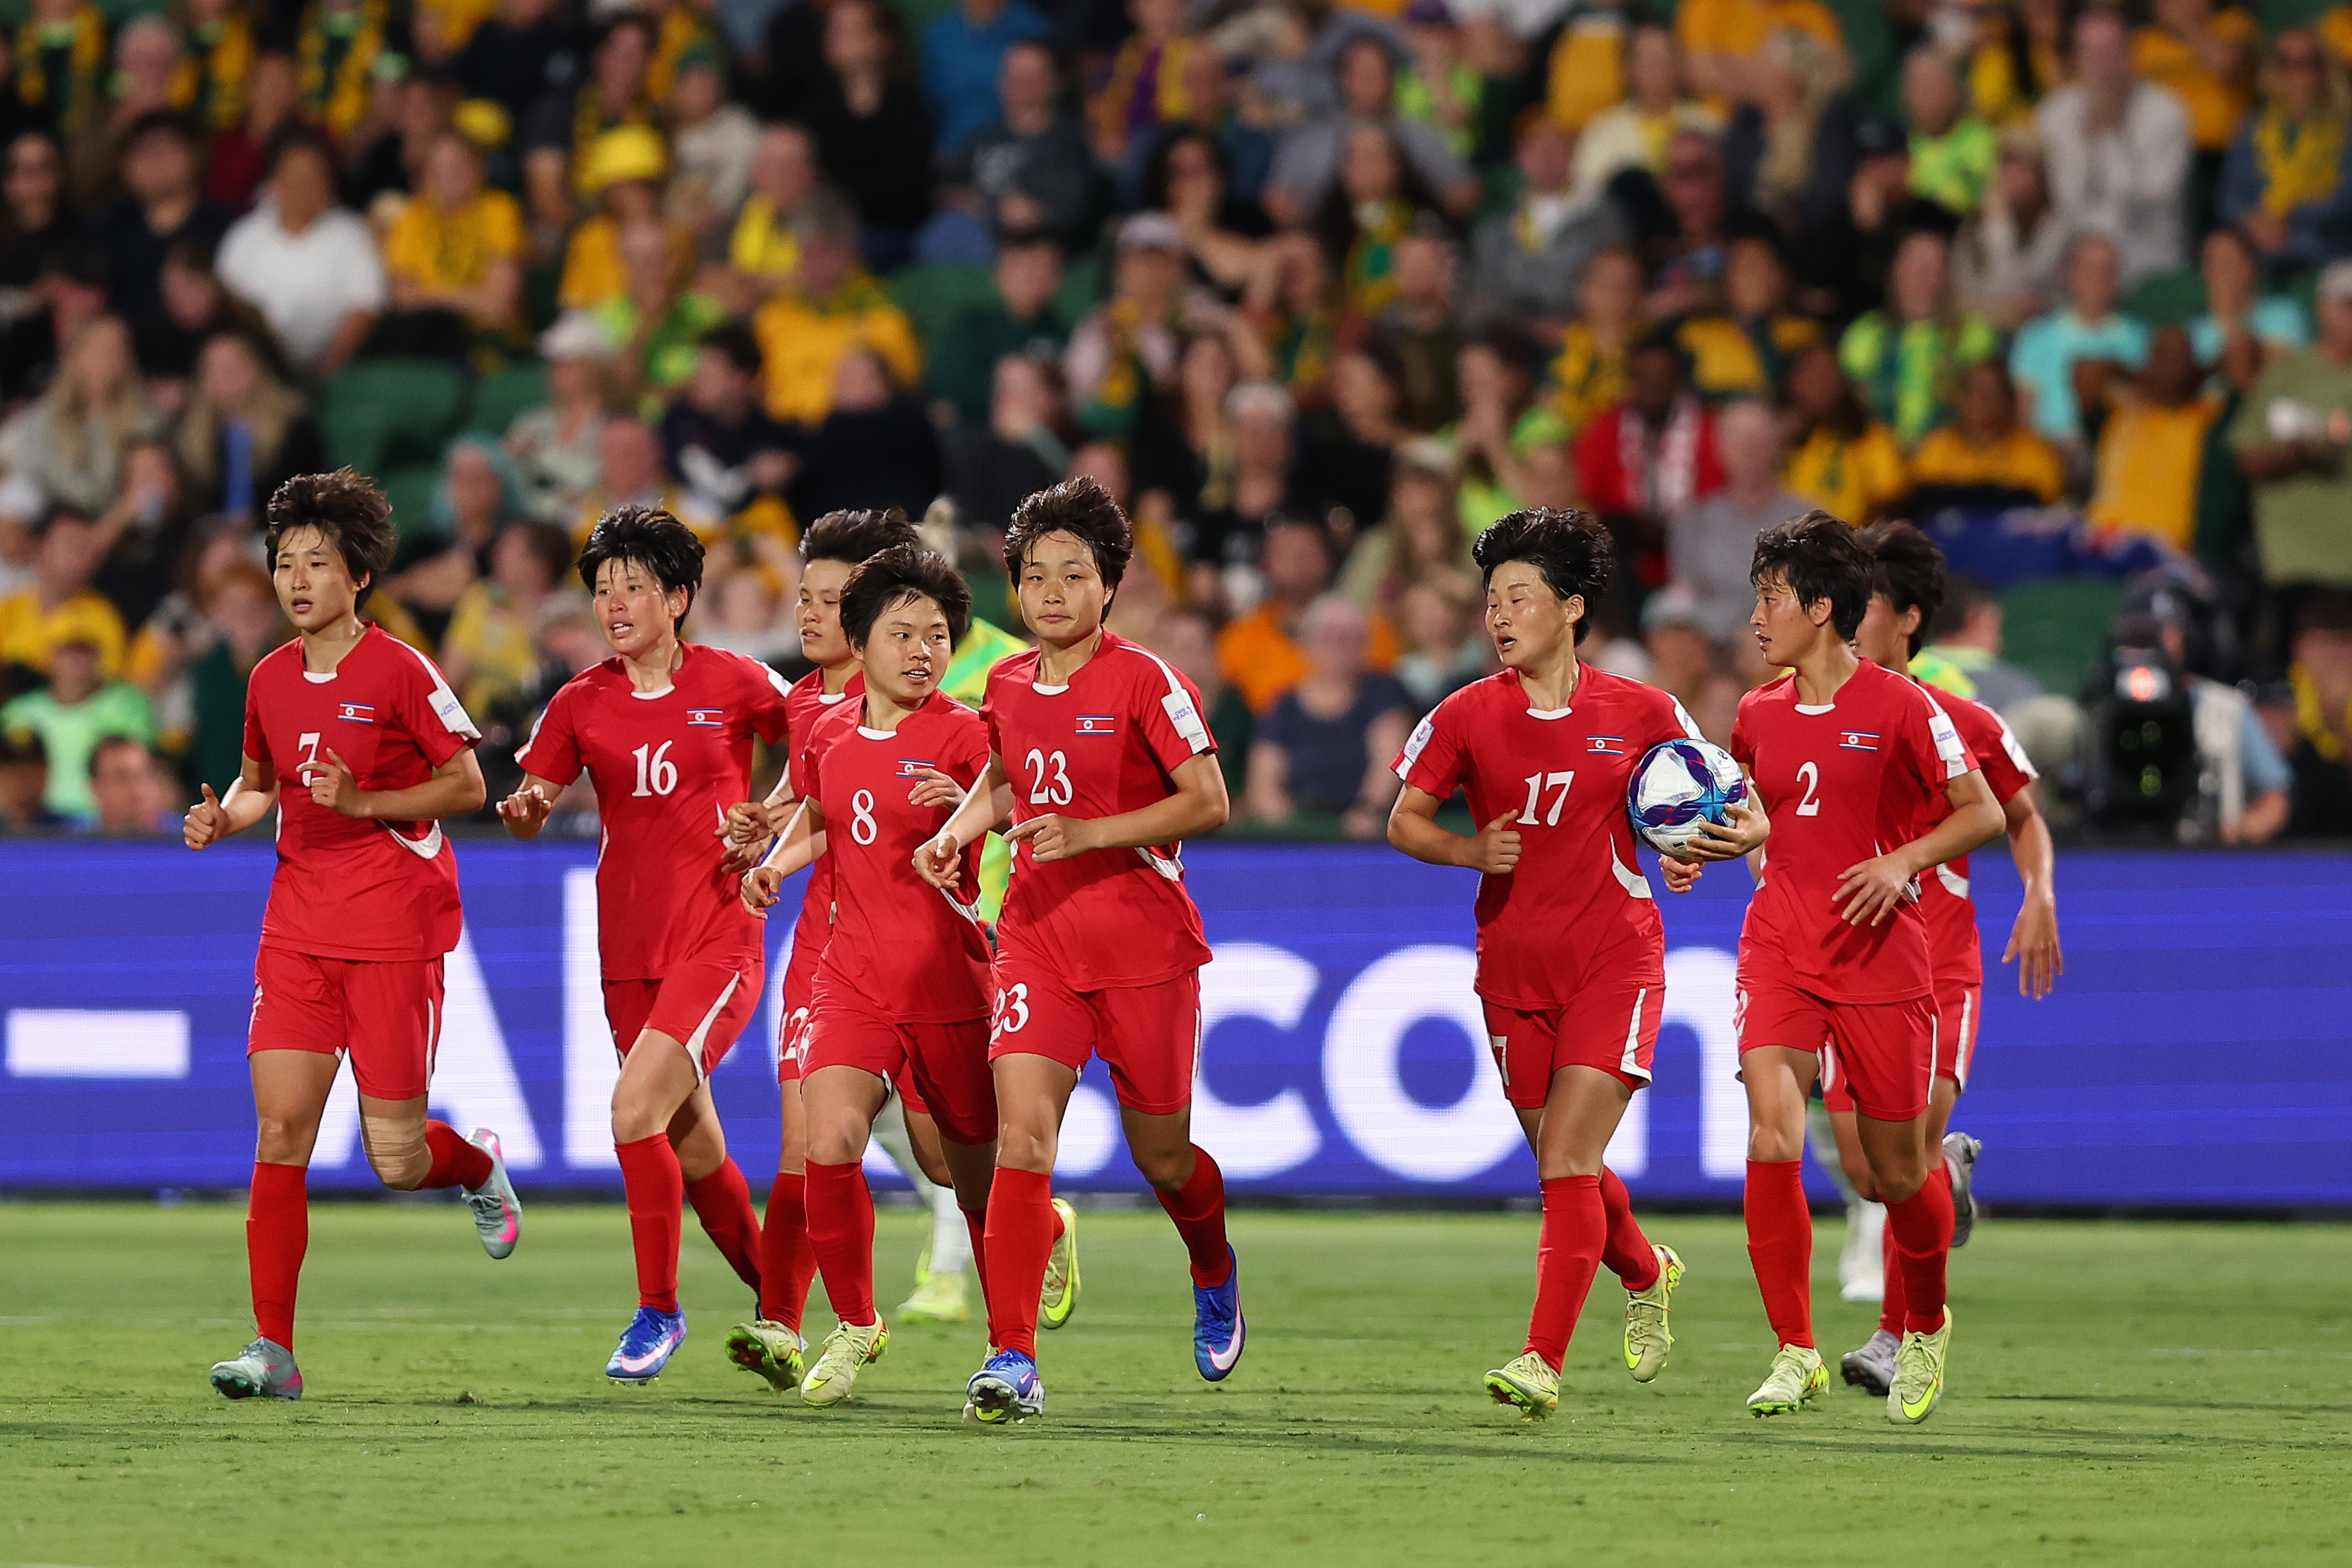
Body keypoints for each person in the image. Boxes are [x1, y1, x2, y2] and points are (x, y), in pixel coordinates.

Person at [183, 468, 519, 1402]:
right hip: (297, 926)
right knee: (281, 1126)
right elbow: (261, 780)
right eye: (285, 562)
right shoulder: (268, 678)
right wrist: (229, 818)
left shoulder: (402, 670)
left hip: (393, 929)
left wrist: (365, 799)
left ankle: (480, 1164)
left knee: (397, 1157)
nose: (296, 580)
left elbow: (469, 787)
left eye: (316, 562)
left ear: (358, 573)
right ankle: (273, 1350)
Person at [915, 476, 1239, 1426]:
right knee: (1022, 1139)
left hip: (1143, 944)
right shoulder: (1008, 682)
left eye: (1074, 573)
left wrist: (1094, 832)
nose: (1051, 590)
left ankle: (1212, 1264)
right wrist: (961, 829)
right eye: (1035, 574)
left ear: (1110, 588)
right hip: (1039, 940)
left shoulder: (1148, 679)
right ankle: (1012, 1353)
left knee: (1165, 1157)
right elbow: (1009, 776)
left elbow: (1209, 801)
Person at [1669, 511, 2002, 1424]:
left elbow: (1983, 816)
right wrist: (1696, 846)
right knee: (1770, 1130)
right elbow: (1743, 815)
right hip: (1779, 946)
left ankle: (1925, 1321)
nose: (1755, 618)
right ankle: (1794, 1350)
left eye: (1769, 597)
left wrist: (1902, 861)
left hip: (1881, 956)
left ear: (1821, 607)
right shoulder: (1755, 712)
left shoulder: (1903, 707)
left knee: (1898, 1174)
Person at [1385, 507, 1695, 1419]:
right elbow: (1403, 819)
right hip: (1512, 968)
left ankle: (1540, 1358)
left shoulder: (1641, 709)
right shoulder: (1465, 714)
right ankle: (1646, 1268)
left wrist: (1695, 846)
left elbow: (1722, 802)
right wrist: (1466, 851)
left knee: (1565, 1154)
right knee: (1565, 1161)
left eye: (1518, 596)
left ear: (1569, 608)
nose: (1498, 615)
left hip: (1615, 957)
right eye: (1490, 600)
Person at [499, 505, 790, 1384]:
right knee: (693, 1146)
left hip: (716, 933)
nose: (613, 602)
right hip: (626, 950)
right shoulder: (579, 701)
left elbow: (818, 745)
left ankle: (659, 1312)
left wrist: (768, 818)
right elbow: (530, 799)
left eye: (632, 585)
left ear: (677, 597)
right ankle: (789, 1313)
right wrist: (522, 812)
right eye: (601, 588)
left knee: (632, 1114)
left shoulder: (738, 680)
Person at [716, 506, 979, 1392]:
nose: (810, 615)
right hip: (833, 956)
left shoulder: (952, 721)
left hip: (927, 954)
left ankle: (1024, 1223)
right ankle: (800, 1325)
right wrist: (768, 839)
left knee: (947, 1155)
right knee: (813, 1141)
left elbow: (999, 793)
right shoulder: (809, 709)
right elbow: (812, 804)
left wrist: (972, 810)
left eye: (831, 599)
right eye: (805, 598)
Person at [1829, 520, 2059, 1397]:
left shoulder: (1956, 719)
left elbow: (2021, 814)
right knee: (1866, 1168)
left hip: (1936, 966)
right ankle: (1944, 1175)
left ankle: (1899, 1334)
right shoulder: (1809, 713)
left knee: (1901, 1155)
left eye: (1868, 608)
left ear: (1911, 619)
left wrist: (2037, 895)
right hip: (1844, 965)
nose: (1850, 624)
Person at [2034, 9, 2188, 284]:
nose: (2102, 66)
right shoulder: (2054, 113)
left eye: (2110, 52)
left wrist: (2111, 135)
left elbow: (2154, 199)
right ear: (2076, 59)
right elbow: (2064, 199)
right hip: (2074, 262)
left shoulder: (2167, 111)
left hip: (2146, 259)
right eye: (2091, 54)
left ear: (2131, 53)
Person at [2226, 257, 2352, 592]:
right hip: (2296, 562)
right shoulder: (2285, 374)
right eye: (2348, 307)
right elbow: (2246, 459)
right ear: (2323, 309)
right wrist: (2299, 452)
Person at [215, 133, 384, 380]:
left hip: (331, 372)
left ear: (328, 184)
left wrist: (323, 374)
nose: (302, 187)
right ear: (275, 184)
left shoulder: (352, 235)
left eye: (311, 178)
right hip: (256, 369)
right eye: (293, 178)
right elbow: (224, 300)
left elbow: (364, 308)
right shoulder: (244, 236)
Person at [1244, 594, 1410, 837]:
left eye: (1348, 638)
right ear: (1306, 642)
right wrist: (1292, 829)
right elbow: (1263, 783)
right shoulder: (1283, 706)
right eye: (1328, 636)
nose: (1338, 645)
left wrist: (1368, 810)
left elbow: (1390, 759)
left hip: (1369, 830)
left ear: (1364, 646)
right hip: (1301, 829)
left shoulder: (1384, 691)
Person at [1669, 398, 1807, 643]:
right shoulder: (1694, 520)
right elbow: (1685, 597)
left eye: (1758, 441)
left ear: (1776, 445)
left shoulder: (1806, 520)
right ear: (1719, 449)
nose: (1749, 450)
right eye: (1739, 441)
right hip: (1712, 643)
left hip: (1787, 642)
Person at [2218, 27, 2352, 272]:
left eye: (2307, 63)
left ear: (2324, 70)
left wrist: (2289, 219)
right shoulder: (2252, 128)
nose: (2296, 73)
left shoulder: (2345, 130)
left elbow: (2344, 201)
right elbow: (2231, 198)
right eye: (2285, 62)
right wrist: (2254, 222)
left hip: (2327, 252)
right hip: (2259, 248)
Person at [2087, 325, 2223, 552]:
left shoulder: (2209, 413)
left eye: (2180, 356)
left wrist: (2200, 375)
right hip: (2106, 541)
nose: (2171, 363)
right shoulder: (2121, 410)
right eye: (2163, 355)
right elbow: (2086, 369)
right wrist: (2142, 379)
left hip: (2170, 549)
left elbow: (2243, 361)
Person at [2009, 230, 2149, 449]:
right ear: (2069, 274)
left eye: (2107, 269)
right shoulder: (2036, 338)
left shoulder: (2140, 338)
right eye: (2089, 268)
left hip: (2119, 450)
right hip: (2051, 451)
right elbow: (2024, 416)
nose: (2098, 278)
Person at [0, 632, 153, 820]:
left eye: (83, 651)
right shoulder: (17, 710)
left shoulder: (126, 703)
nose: (22, 780)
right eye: (13, 770)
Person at [1904, 360, 2066, 513]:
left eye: (1987, 393)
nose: (1977, 400)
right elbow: (1918, 496)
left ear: (2008, 401)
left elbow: (2039, 502)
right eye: (1970, 390)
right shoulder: (1938, 444)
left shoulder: (2033, 450)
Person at [86, 732, 172, 833]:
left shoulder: (186, 839)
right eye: (122, 778)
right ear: (96, 788)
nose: (138, 789)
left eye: (147, 774)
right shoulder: (74, 842)